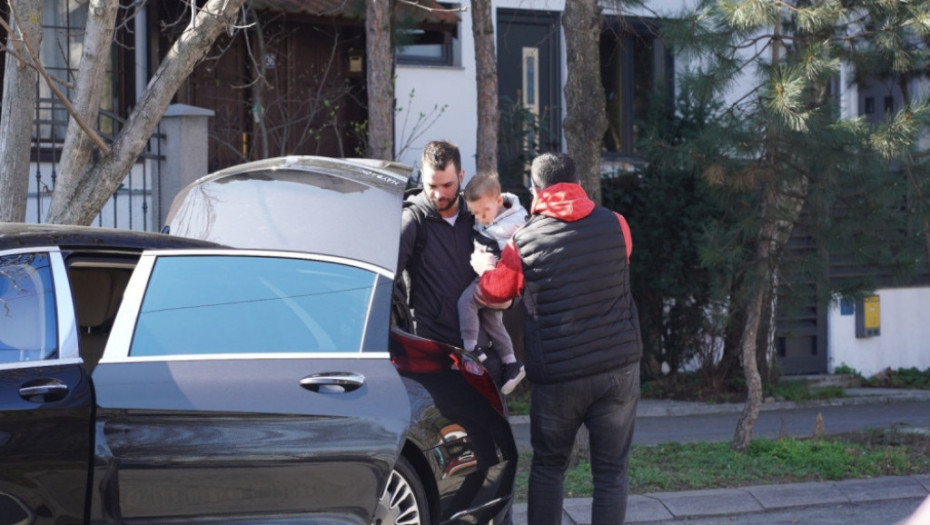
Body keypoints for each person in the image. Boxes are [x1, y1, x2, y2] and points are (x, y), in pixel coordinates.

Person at [473, 152, 642, 525]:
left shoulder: (524, 241)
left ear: (535, 191)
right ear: (578, 183)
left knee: (549, 467)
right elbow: (620, 262)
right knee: (612, 472)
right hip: (618, 368)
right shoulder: (617, 224)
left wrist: (485, 268)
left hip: (559, 377)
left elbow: (495, 293)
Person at [396, 140, 477, 348]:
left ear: (461, 176)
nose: (439, 194)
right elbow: (385, 284)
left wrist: (507, 300)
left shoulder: (478, 214)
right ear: (422, 176)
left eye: (447, 185)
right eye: (432, 186)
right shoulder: (412, 220)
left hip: (480, 345)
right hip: (433, 347)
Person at [457, 173, 528, 395]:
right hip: (493, 277)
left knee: (466, 302)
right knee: (492, 320)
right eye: (475, 214)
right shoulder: (493, 214)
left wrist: (491, 270)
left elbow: (515, 259)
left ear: (498, 201)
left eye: (484, 212)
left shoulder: (513, 224)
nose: (480, 218)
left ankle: (470, 349)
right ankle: (512, 363)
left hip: (494, 277)